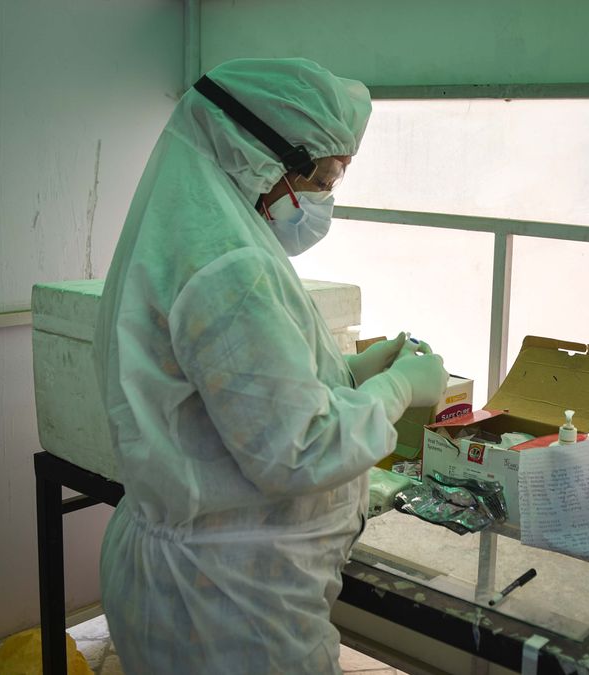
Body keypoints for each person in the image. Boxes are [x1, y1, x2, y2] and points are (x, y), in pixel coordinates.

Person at [92, 58, 448, 674]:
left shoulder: (196, 225)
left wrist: (351, 371)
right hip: (230, 605)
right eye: (325, 179)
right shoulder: (229, 264)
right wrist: (396, 390)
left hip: (190, 573)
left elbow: (233, 388)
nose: (324, 199)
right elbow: (298, 447)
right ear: (261, 152)